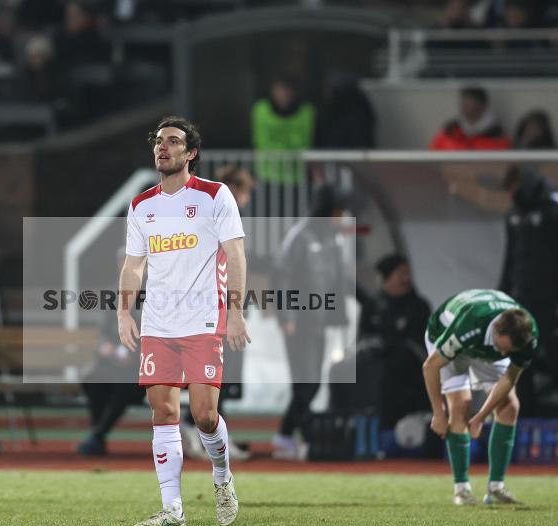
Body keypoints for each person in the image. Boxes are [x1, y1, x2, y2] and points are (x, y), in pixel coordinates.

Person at [119, 116, 248, 526]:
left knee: (206, 415)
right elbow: (134, 265)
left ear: (190, 152)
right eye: (159, 141)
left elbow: (237, 254)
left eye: (173, 141)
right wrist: (124, 310)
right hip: (158, 323)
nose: (163, 147)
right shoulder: (142, 205)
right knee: (162, 411)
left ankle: (223, 478)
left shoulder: (215, 195)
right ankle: (172, 509)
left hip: (204, 319)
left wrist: (237, 311)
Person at [423, 289, 538, 506]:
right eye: (501, 347)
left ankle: (496, 488)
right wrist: (438, 413)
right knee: (460, 405)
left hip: (483, 344)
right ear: (495, 328)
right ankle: (462, 490)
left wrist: (481, 417)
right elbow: (430, 366)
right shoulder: (469, 325)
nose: (503, 354)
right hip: (448, 334)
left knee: (510, 406)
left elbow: (509, 379)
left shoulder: (527, 336)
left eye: (508, 351)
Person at [499, 166, 558, 416]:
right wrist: (501, 297)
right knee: (520, 363)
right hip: (521, 301)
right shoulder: (514, 214)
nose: (512, 195)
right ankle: (527, 423)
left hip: (553, 300)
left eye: (514, 188)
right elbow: (510, 260)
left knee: (554, 360)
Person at [179, 164, 255, 463]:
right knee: (215, 375)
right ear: (234, 190)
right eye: (246, 192)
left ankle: (205, 431)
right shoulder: (214, 215)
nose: (247, 200)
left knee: (216, 378)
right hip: (213, 306)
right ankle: (198, 429)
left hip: (210, 304)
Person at [272, 184, 353, 460]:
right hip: (300, 320)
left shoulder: (334, 238)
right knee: (306, 382)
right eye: (339, 211)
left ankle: (298, 437)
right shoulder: (300, 236)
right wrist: (287, 316)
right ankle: (287, 435)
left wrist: (339, 315)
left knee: (313, 382)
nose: (342, 217)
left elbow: (339, 280)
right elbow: (281, 274)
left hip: (320, 320)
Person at [77, 249, 146, 456]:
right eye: (122, 262)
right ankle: (98, 435)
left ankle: (97, 436)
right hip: (112, 362)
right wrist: (104, 347)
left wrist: (133, 354)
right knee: (93, 380)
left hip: (140, 364)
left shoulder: (154, 292)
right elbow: (103, 333)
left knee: (125, 385)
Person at [351, 254, 432, 430]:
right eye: (401, 274)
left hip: (410, 370)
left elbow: (421, 344)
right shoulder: (373, 305)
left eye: (408, 274)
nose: (406, 279)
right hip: (377, 370)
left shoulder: (419, 306)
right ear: (386, 278)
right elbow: (363, 338)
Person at [251, 75, 315, 184]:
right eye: (280, 90)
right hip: (267, 175)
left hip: (296, 177)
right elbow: (261, 142)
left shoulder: (307, 111)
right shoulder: (261, 110)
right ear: (273, 91)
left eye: (287, 91)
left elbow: (305, 142)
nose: (284, 95)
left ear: (294, 93)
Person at [429, 86, 510, 151]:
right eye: (464, 101)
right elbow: (433, 156)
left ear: (482, 105)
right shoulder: (449, 131)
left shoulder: (497, 136)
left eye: (470, 101)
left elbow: (502, 165)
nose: (465, 105)